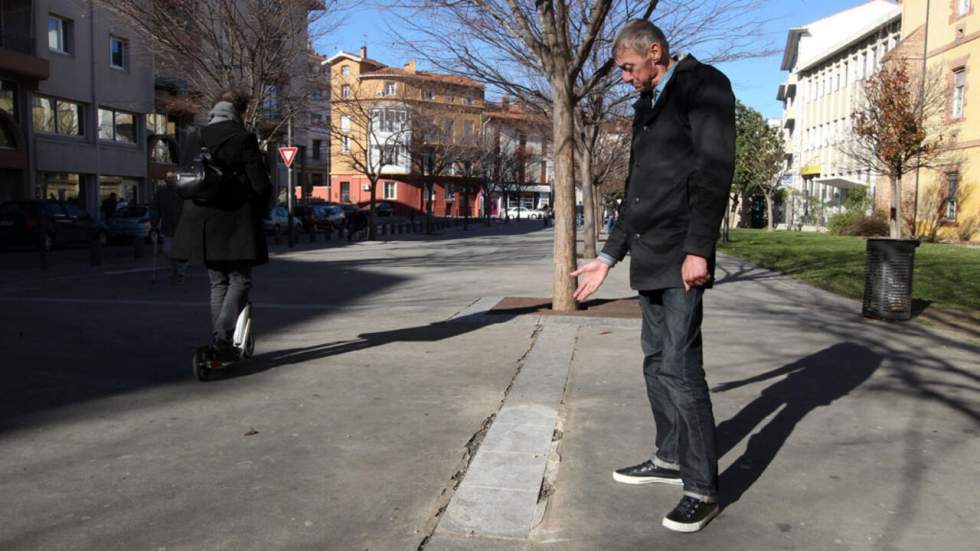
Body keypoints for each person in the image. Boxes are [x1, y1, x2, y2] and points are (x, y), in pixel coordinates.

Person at [570, 19, 735, 533]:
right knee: (655, 362)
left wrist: (699, 249)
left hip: (682, 253)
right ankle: (668, 457)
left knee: (684, 371)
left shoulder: (702, 85)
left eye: (627, 67)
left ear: (655, 52)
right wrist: (607, 256)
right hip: (649, 255)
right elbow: (638, 191)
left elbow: (715, 168)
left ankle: (702, 488)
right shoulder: (646, 105)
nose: (624, 78)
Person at [172, 91, 272, 360]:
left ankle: (221, 340)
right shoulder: (243, 138)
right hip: (236, 221)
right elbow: (260, 184)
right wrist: (262, 211)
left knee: (217, 282)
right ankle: (222, 338)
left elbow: (186, 177)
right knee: (240, 279)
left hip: (201, 221)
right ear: (239, 111)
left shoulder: (196, 136)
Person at [151, 178, 188, 284]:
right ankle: (175, 269)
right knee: (167, 250)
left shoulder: (183, 192)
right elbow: (155, 208)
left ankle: (180, 272)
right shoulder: (161, 193)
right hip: (168, 228)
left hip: (182, 227)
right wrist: (154, 223)